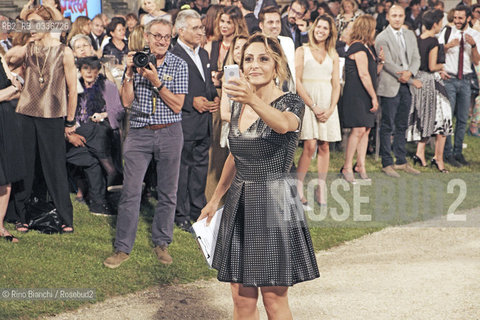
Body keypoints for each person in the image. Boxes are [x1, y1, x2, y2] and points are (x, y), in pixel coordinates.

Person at [198, 33, 319, 319]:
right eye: (248, 59)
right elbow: (235, 155)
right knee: (242, 301)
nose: (254, 65)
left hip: (274, 204)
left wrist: (252, 99)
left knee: (274, 300)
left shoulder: (291, 102)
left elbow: (283, 125)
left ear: (277, 65)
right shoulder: (240, 104)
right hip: (239, 204)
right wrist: (215, 199)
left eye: (263, 59)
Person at [103, 18, 188, 268]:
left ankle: (162, 243)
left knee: (167, 192)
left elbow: (177, 105)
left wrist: (155, 81)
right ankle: (122, 248)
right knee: (130, 191)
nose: (162, 41)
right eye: (157, 36)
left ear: (170, 39)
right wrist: (129, 74)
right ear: (147, 38)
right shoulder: (138, 62)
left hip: (170, 131)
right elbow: (127, 103)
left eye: (166, 37)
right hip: (139, 134)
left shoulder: (179, 64)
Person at [6, 5, 77, 233]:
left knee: (55, 166)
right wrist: (27, 41)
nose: (30, 28)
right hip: (26, 113)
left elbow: (72, 90)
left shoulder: (64, 51)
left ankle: (65, 217)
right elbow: (7, 60)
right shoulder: (28, 48)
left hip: (53, 114)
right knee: (26, 166)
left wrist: (70, 121)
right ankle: (22, 216)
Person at [171, 10, 219, 231]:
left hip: (203, 122)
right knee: (182, 170)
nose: (201, 31)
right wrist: (192, 102)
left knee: (199, 168)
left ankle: (196, 208)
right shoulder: (172, 54)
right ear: (181, 30)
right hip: (184, 121)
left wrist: (214, 96)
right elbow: (168, 89)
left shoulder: (203, 54)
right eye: (196, 28)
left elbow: (205, 82)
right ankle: (179, 213)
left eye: (201, 27)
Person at [66, 56, 124, 215]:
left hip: (98, 137)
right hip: (75, 136)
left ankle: (98, 203)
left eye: (93, 69)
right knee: (94, 129)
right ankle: (112, 169)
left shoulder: (107, 86)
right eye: (85, 68)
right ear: (80, 70)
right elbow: (70, 116)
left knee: (93, 159)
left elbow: (119, 111)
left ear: (98, 71)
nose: (89, 72)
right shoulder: (74, 87)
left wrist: (103, 114)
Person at [295, 15, 341, 206]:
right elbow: (297, 81)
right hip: (308, 102)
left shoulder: (334, 55)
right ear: (313, 28)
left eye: (325, 28)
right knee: (310, 145)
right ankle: (297, 187)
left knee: (324, 145)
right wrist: (313, 106)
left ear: (330, 32)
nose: (321, 31)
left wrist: (330, 109)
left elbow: (336, 84)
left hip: (328, 102)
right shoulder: (302, 50)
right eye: (319, 27)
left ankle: (320, 187)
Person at [375, 5, 422, 178]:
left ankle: (401, 161)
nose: (397, 18)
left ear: (404, 17)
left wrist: (411, 73)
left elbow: (416, 58)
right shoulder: (382, 37)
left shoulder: (410, 34)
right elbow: (386, 64)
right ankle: (387, 163)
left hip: (406, 86)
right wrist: (408, 77)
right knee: (388, 125)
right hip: (390, 85)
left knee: (402, 125)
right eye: (394, 15)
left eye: (400, 15)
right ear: (387, 16)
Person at [407, 10, 452, 172]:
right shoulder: (433, 41)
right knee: (443, 120)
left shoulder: (418, 39)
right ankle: (438, 158)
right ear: (435, 24)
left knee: (427, 118)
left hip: (419, 80)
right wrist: (442, 67)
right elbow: (432, 66)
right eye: (440, 22)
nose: (441, 25)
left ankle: (420, 153)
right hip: (430, 83)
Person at [340, 15, 382, 183]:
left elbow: (372, 73)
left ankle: (360, 165)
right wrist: (374, 97)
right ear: (367, 29)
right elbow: (363, 75)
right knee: (357, 130)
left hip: (365, 93)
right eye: (373, 28)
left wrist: (381, 62)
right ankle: (347, 167)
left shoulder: (367, 47)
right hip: (358, 95)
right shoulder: (357, 47)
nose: (375, 32)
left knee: (366, 130)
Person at [438, 5, 480, 166]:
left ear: (468, 18)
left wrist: (474, 45)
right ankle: (447, 153)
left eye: (460, 18)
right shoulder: (447, 32)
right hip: (449, 79)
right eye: (455, 17)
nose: (457, 21)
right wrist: (447, 46)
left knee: (462, 119)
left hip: (466, 80)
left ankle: (458, 153)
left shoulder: (475, 35)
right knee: (448, 118)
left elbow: (476, 61)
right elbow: (436, 51)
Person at [0, 52, 24, 242]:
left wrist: (13, 88)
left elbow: (16, 84)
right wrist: (11, 89)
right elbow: (14, 87)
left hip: (6, 118)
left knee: (6, 173)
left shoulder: (0, 54)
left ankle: (0, 226)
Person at [259, 6, 296, 92]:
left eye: (277, 22)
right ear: (261, 25)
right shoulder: (255, 45)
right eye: (270, 22)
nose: (275, 26)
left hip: (287, 95)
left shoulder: (288, 42)